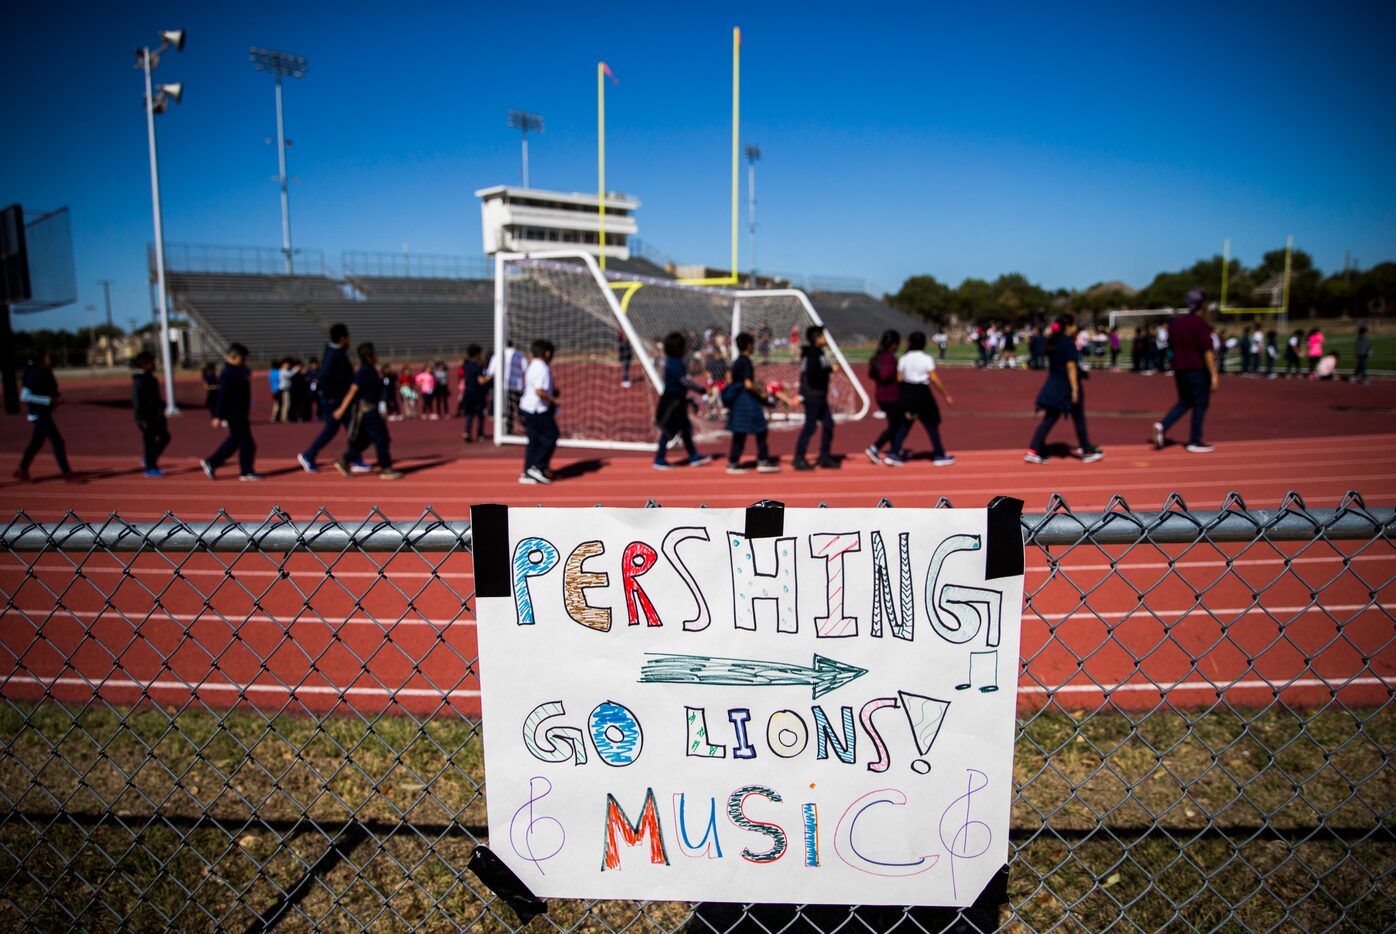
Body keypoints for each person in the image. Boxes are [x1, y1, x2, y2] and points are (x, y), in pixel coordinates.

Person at [1023, 315, 1102, 464]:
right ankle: (1086, 450)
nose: (1075, 328)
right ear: (1068, 327)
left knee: (1050, 418)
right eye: (1073, 325)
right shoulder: (1067, 344)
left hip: (1053, 384)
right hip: (1065, 386)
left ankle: (1033, 449)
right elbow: (1071, 367)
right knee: (1078, 418)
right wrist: (1074, 389)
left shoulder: (1054, 342)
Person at [1152, 290, 1218, 454]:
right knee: (1199, 405)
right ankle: (1195, 440)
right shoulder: (1200, 325)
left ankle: (1163, 425)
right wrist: (1214, 374)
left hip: (1180, 370)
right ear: (1202, 305)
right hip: (1197, 370)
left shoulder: (1177, 325)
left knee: (1184, 402)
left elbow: (1171, 345)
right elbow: (1207, 351)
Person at [885, 331, 955, 467]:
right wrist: (946, 394)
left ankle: (893, 453)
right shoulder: (926, 358)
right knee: (931, 425)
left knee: (904, 425)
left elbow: (899, 378)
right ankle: (939, 454)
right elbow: (934, 378)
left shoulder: (904, 358)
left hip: (908, 392)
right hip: (923, 394)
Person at [333, 343, 402, 480]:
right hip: (368, 411)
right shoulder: (365, 371)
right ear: (369, 356)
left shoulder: (370, 369)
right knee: (381, 438)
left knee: (364, 440)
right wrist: (341, 409)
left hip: (370, 409)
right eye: (374, 353)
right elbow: (353, 390)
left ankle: (345, 461)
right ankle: (386, 467)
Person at [298, 324, 356, 473]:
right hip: (337, 400)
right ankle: (309, 455)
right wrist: (330, 397)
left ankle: (355, 457)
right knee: (335, 429)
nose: (350, 339)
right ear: (343, 337)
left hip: (341, 398)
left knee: (351, 428)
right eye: (348, 336)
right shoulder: (333, 354)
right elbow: (324, 376)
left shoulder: (338, 352)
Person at [653, 332, 714, 470]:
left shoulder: (674, 361)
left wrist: (690, 399)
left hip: (677, 399)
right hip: (672, 401)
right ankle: (659, 459)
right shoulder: (674, 363)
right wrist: (702, 390)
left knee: (685, 428)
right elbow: (685, 381)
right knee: (668, 430)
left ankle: (693, 456)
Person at [15, 352, 77, 482]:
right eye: (49, 357)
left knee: (36, 443)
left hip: (45, 413)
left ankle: (22, 470)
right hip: (38, 414)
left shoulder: (48, 373)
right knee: (58, 442)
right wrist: (48, 400)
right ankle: (67, 474)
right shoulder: (33, 375)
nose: (52, 360)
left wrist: (58, 399)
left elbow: (52, 391)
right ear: (42, 361)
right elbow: (24, 396)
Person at [201, 343, 259, 480]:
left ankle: (211, 462)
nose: (244, 362)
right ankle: (246, 471)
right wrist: (218, 415)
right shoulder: (228, 373)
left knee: (234, 441)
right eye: (242, 359)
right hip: (234, 413)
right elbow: (223, 395)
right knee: (247, 443)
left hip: (240, 412)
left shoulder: (239, 371)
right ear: (233, 356)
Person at [726, 332, 780, 474]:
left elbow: (731, 380)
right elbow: (748, 384)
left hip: (738, 401)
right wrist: (761, 393)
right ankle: (763, 459)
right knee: (761, 429)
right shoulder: (746, 362)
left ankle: (733, 461)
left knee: (739, 433)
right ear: (749, 345)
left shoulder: (737, 361)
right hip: (747, 401)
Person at [792, 325, 839, 471]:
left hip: (819, 396)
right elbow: (813, 375)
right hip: (813, 395)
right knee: (810, 427)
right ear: (816, 338)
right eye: (823, 336)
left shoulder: (819, 352)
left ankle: (824, 456)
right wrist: (830, 369)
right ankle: (799, 457)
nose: (825, 339)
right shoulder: (813, 354)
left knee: (829, 424)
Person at [519, 339, 560, 484]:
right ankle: (538, 466)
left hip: (527, 406)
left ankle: (528, 470)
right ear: (547, 353)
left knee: (534, 439)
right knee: (551, 435)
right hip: (537, 408)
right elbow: (539, 391)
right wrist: (554, 400)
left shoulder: (533, 364)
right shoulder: (542, 367)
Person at [864, 330, 905, 464]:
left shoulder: (878, 356)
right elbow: (885, 375)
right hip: (890, 395)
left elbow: (872, 374)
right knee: (896, 426)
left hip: (881, 394)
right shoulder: (888, 357)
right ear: (893, 344)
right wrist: (898, 377)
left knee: (893, 423)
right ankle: (875, 447)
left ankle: (895, 449)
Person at [131, 351, 170, 478]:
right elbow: (137, 400)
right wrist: (140, 418)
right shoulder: (139, 381)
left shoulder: (152, 379)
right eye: (152, 362)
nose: (155, 364)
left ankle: (150, 459)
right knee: (149, 442)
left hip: (156, 416)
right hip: (146, 417)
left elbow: (156, 399)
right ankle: (150, 467)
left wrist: (161, 411)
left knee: (165, 437)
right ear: (146, 364)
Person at [485, 339, 527, 434]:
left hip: (503, 387)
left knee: (507, 410)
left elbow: (490, 372)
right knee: (521, 408)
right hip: (517, 387)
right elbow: (525, 369)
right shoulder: (519, 354)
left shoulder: (497, 356)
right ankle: (526, 427)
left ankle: (508, 429)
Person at [461, 345, 490, 442]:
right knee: (480, 414)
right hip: (477, 392)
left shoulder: (466, 365)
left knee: (469, 414)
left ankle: (467, 432)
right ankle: (480, 433)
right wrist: (490, 377)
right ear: (477, 354)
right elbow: (481, 381)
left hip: (468, 391)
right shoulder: (477, 366)